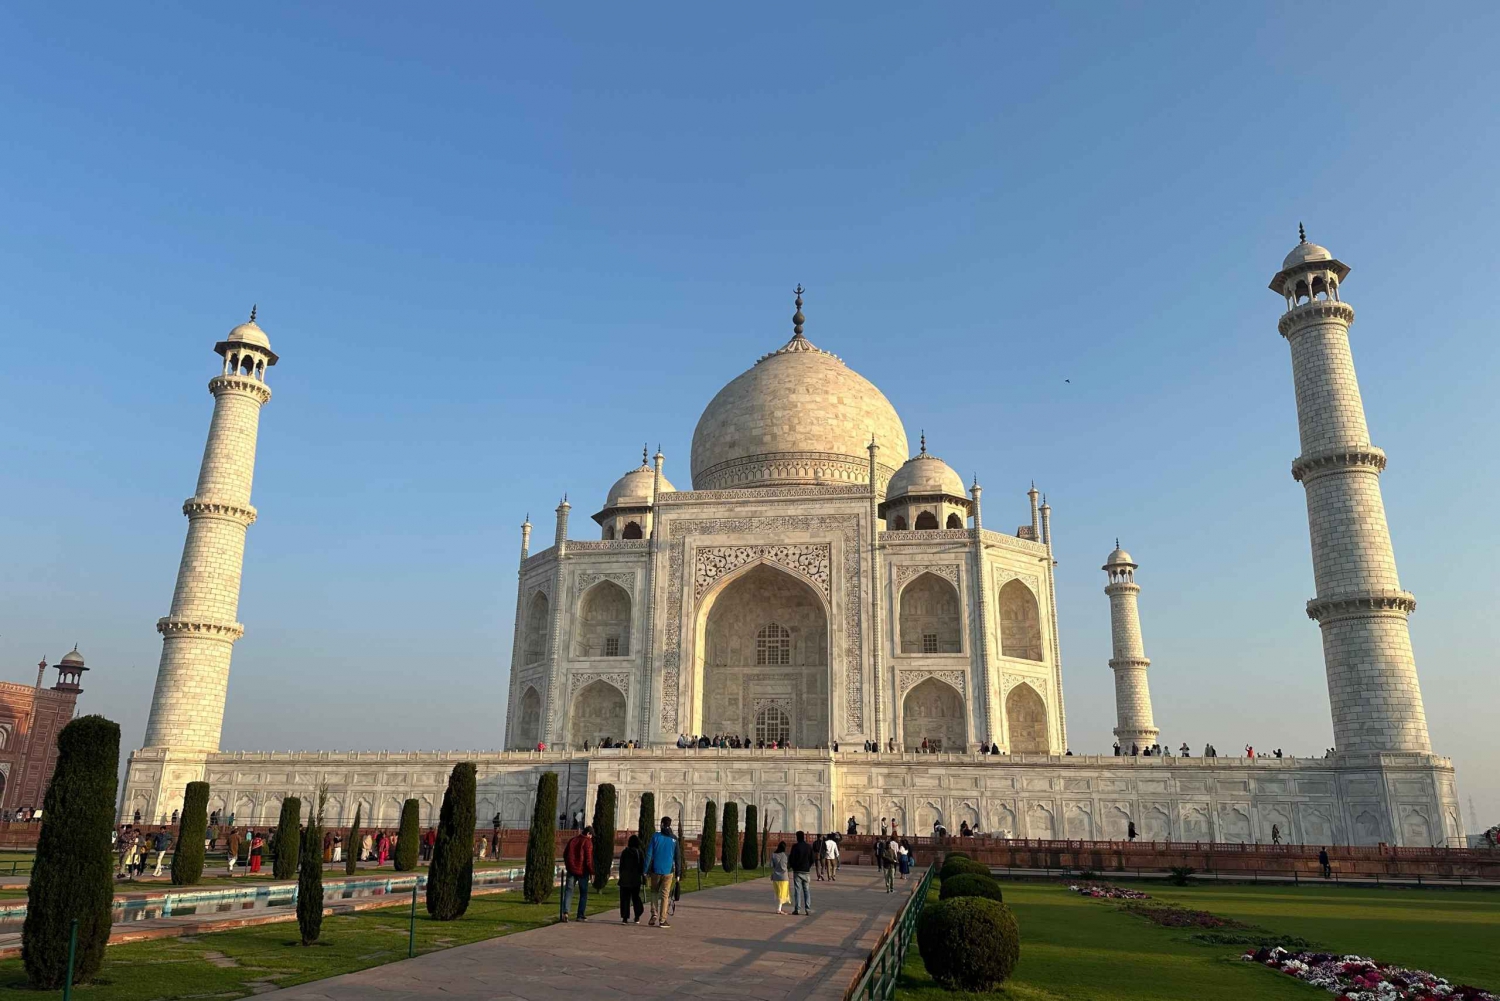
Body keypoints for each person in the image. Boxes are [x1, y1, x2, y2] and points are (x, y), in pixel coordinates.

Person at [644, 816, 678, 928]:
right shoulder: (674, 839)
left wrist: (645, 870)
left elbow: (649, 854)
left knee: (654, 892)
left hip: (655, 870)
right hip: (668, 871)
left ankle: (654, 914)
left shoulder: (655, 836)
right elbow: (678, 857)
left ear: (662, 824)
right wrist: (678, 873)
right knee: (665, 895)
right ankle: (662, 920)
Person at [560, 825, 594, 922]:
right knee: (583, 893)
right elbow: (588, 860)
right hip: (583, 872)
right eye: (591, 835)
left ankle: (565, 913)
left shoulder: (573, 840)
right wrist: (592, 872)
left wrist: (568, 866)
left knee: (569, 891)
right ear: (588, 834)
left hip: (572, 870)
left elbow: (565, 854)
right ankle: (580, 915)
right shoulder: (587, 842)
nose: (591, 838)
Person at [618, 833, 646, 923]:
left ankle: (625, 917)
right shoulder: (639, 852)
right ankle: (637, 916)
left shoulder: (625, 852)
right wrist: (643, 876)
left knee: (625, 899)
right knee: (635, 898)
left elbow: (621, 866)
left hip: (625, 879)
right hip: (635, 879)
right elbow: (642, 866)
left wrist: (621, 875)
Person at [788, 831, 815, 915]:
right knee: (806, 890)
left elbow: (791, 858)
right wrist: (808, 866)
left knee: (797, 890)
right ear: (804, 837)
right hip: (806, 871)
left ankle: (797, 909)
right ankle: (808, 909)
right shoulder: (808, 847)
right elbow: (812, 859)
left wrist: (793, 866)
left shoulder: (795, 847)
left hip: (797, 871)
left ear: (797, 837)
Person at [769, 840, 791, 914]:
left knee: (778, 893)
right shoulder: (785, 856)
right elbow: (788, 866)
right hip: (784, 877)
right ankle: (779, 909)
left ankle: (779, 908)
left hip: (775, 877)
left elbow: (771, 865)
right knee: (783, 893)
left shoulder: (773, 855)